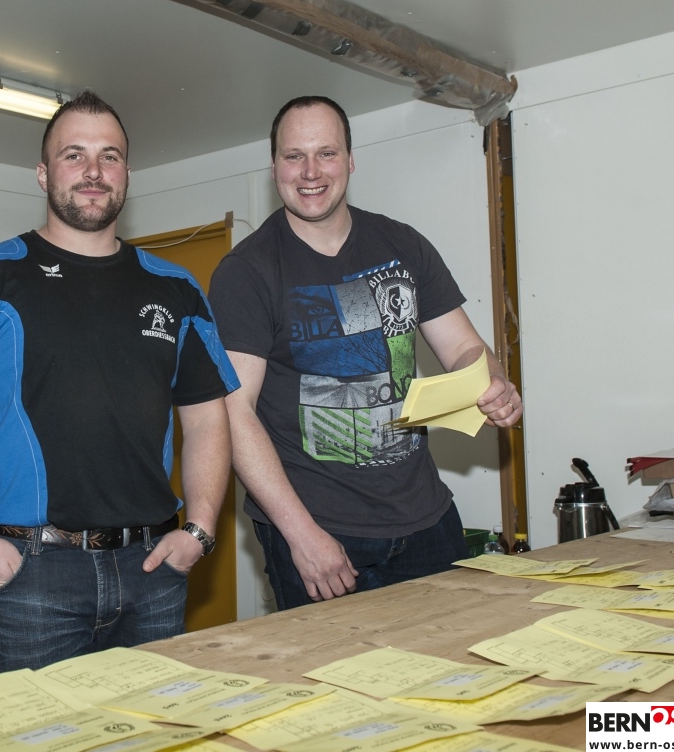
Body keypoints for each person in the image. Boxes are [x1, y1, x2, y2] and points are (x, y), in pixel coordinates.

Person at [0, 91, 238, 676]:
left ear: (126, 174)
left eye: (110, 156)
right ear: (43, 173)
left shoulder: (178, 289)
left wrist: (200, 531)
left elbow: (208, 417)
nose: (93, 171)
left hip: (153, 572)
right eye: (74, 155)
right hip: (31, 578)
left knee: (152, 726)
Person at [209, 96, 522, 611]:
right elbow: (233, 412)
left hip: (426, 520)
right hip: (318, 532)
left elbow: (465, 346)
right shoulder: (247, 271)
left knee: (450, 656)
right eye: (294, 156)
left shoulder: (403, 245)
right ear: (274, 166)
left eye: (326, 153)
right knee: (336, 665)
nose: (310, 172)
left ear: (350, 160)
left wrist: (493, 383)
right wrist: (301, 535)